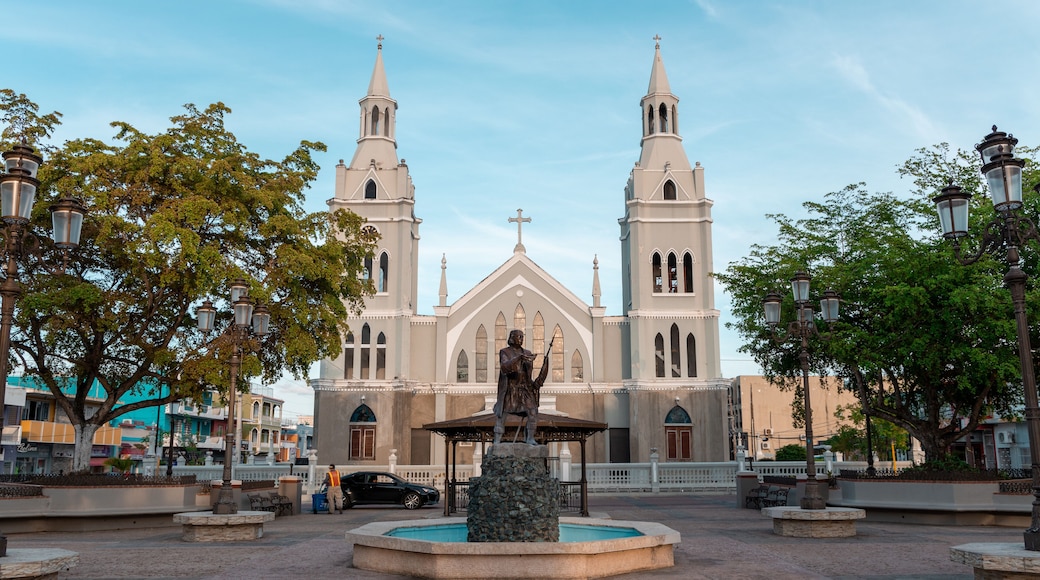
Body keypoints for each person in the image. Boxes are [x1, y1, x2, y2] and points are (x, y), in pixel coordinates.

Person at [493, 329, 550, 445]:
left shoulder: (527, 353)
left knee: (533, 411)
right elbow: (505, 367)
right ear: (512, 338)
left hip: (525, 389)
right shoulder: (505, 352)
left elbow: (528, 375)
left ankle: (530, 438)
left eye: (522, 337)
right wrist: (519, 358)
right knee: (502, 415)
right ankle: (497, 441)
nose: (521, 339)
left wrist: (538, 379)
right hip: (510, 389)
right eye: (519, 337)